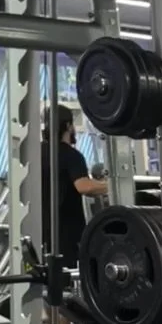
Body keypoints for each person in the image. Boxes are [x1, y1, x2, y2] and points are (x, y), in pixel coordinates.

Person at [40, 104, 107, 265]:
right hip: (66, 234)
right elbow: (84, 186)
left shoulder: (37, 153)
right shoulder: (72, 155)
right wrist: (113, 185)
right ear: (69, 126)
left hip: (41, 232)